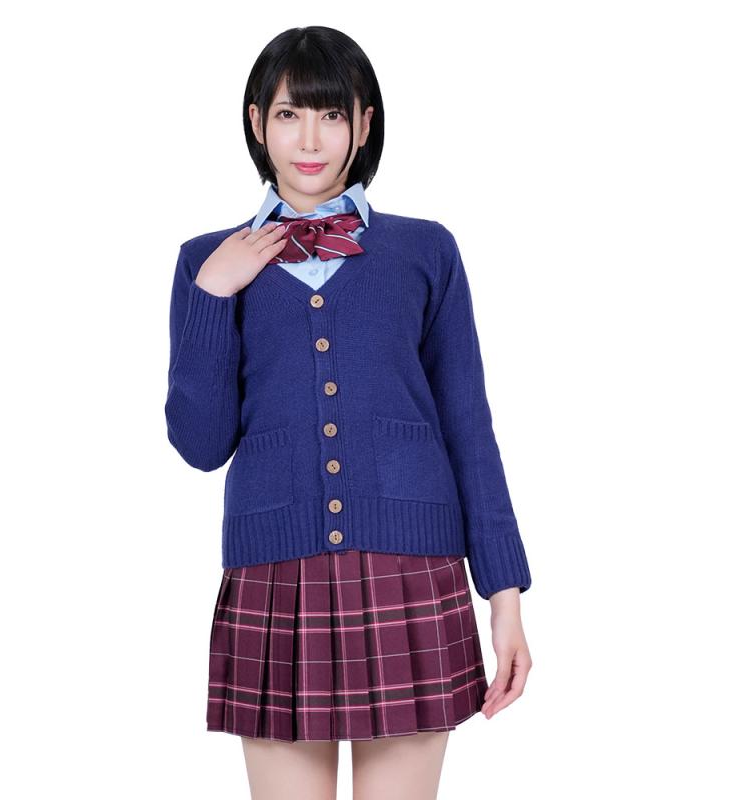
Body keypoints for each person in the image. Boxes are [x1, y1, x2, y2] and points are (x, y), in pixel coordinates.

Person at [164, 25, 533, 800]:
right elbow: (200, 444)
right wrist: (212, 296)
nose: (310, 139)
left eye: (332, 115)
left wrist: (504, 598)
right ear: (257, 121)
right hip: (274, 574)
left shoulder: (425, 251)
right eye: (289, 114)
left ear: (364, 124)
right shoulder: (206, 261)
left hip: (410, 571)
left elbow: (469, 427)